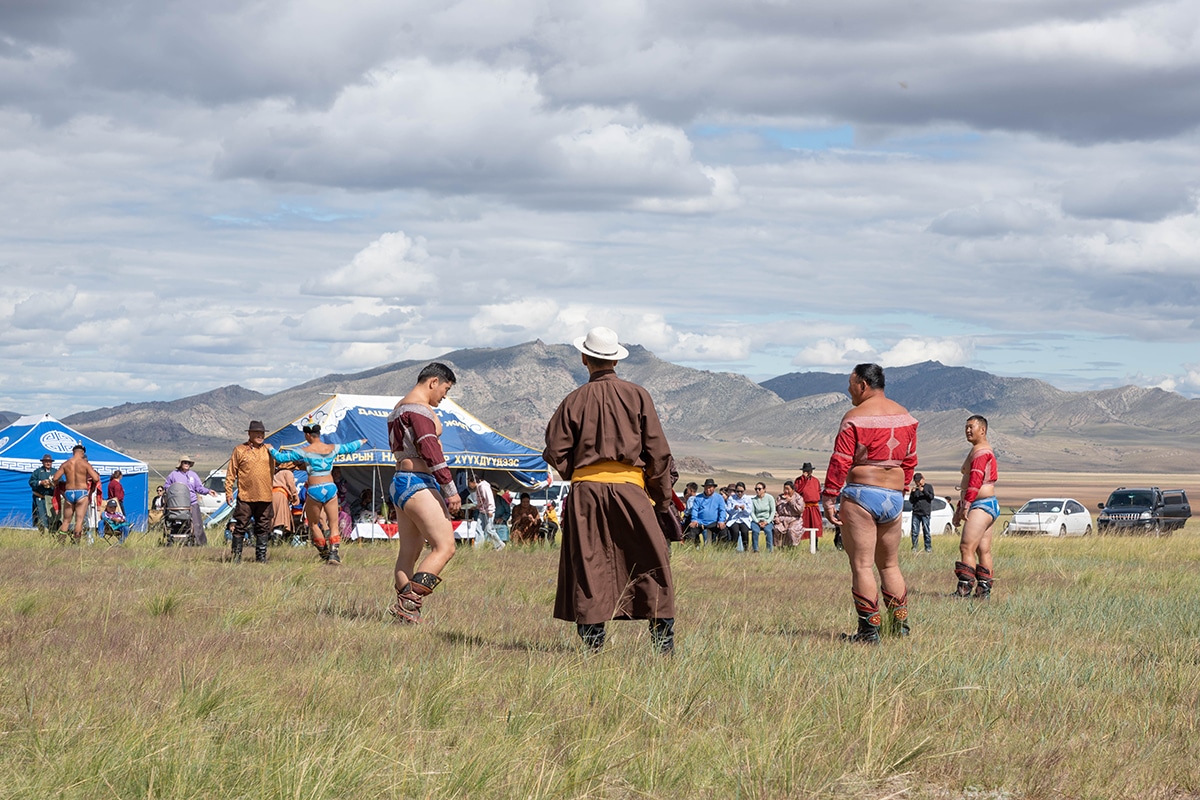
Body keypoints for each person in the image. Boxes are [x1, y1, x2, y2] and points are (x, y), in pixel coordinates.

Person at [544, 326, 679, 654]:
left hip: (586, 496)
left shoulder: (573, 399)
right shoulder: (638, 395)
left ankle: (592, 652)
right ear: (616, 360)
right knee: (652, 562)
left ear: (584, 358)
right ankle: (663, 649)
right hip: (632, 492)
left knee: (589, 566)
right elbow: (658, 453)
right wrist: (661, 500)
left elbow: (554, 449)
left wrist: (581, 474)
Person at [821, 364, 918, 643]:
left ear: (863, 384)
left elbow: (840, 460)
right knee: (889, 565)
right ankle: (899, 628)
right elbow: (910, 460)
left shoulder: (854, 417)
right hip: (894, 495)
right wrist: (904, 487)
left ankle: (868, 633)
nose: (849, 389)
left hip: (862, 493)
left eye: (851, 383)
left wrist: (829, 496)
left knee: (862, 565)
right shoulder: (906, 417)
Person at [385, 362, 463, 623]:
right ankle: (408, 606)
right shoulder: (418, 410)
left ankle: (406, 612)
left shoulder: (398, 409)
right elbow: (431, 450)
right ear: (433, 382)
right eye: (445, 389)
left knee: (409, 553)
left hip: (400, 481)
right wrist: (450, 489)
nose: (444, 396)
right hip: (418, 482)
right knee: (445, 547)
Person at [269, 424, 366, 565]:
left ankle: (324, 552)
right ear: (319, 434)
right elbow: (349, 447)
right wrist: (361, 442)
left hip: (314, 489)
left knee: (314, 524)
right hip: (330, 487)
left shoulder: (304, 451)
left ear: (308, 435)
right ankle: (334, 554)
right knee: (333, 524)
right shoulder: (331, 448)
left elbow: (282, 458)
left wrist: (270, 448)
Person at [952, 415, 999, 598]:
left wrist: (966, 505)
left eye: (971, 427)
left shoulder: (981, 451)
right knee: (983, 549)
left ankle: (963, 591)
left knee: (966, 547)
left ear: (983, 430)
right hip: (987, 504)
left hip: (980, 505)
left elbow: (975, 480)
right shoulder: (979, 450)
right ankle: (983, 593)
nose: (968, 430)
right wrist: (961, 506)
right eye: (966, 427)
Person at [224, 421, 276, 561]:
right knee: (240, 526)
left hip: (265, 497)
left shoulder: (269, 450)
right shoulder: (240, 450)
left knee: (263, 528)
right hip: (246, 496)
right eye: (257, 433)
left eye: (262, 433)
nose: (260, 436)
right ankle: (236, 557)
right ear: (249, 433)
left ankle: (261, 558)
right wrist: (228, 491)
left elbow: (284, 462)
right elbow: (231, 472)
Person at [52, 444, 100, 544]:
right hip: (81, 492)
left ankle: (61, 543)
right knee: (79, 520)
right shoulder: (85, 464)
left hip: (69, 492)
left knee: (66, 521)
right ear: (82, 453)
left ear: (73, 452)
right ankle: (76, 543)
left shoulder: (66, 464)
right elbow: (96, 478)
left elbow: (55, 478)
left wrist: (58, 484)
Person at [165, 456, 213, 546]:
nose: (187, 464)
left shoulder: (193, 475)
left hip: (192, 503)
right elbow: (167, 486)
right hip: (177, 504)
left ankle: (201, 544)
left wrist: (208, 491)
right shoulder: (173, 474)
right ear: (180, 463)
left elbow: (199, 487)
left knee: (197, 524)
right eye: (185, 462)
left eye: (188, 463)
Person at [466, 475, 506, 550]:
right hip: (482, 511)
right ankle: (478, 547)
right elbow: (481, 501)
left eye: (469, 483)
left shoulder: (484, 487)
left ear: (473, 482)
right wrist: (477, 507)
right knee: (479, 529)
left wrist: (490, 510)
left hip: (488, 511)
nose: (469, 485)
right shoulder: (478, 488)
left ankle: (500, 544)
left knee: (489, 529)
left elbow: (489, 498)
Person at [686, 478, 727, 546]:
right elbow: (695, 510)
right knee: (691, 531)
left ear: (714, 488)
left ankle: (720, 549)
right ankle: (693, 549)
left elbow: (722, 510)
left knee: (724, 531)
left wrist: (721, 521)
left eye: (710, 487)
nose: (708, 489)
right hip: (700, 522)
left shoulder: (719, 498)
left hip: (714, 522)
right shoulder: (698, 498)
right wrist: (694, 520)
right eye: (706, 487)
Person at [794, 462, 825, 549]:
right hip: (804, 507)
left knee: (815, 526)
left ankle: (815, 546)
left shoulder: (816, 480)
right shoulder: (798, 480)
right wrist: (804, 479)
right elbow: (798, 491)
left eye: (809, 471)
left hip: (814, 507)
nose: (808, 472)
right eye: (806, 471)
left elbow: (818, 492)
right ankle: (797, 545)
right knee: (801, 526)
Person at [271, 464, 299, 543]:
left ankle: (276, 540)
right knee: (280, 520)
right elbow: (292, 486)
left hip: (272, 495)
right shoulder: (287, 473)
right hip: (280, 495)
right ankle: (276, 542)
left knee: (275, 519)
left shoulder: (276, 474)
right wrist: (295, 497)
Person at [29, 454, 57, 531]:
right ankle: (42, 534)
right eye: (46, 461)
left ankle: (52, 533)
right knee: (41, 517)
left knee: (52, 517)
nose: (48, 463)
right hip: (40, 498)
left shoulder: (55, 472)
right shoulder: (37, 472)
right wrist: (40, 482)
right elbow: (31, 482)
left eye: (50, 462)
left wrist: (53, 483)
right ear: (43, 462)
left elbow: (61, 482)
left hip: (51, 499)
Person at [773, 480, 805, 547]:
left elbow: (800, 510)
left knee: (791, 530)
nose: (786, 491)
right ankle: (779, 547)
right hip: (781, 519)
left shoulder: (798, 498)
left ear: (793, 490)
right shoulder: (779, 497)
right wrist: (776, 518)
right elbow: (775, 509)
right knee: (777, 529)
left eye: (788, 489)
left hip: (795, 519)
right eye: (784, 489)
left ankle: (792, 547)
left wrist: (791, 502)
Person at [909, 472, 935, 552]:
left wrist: (924, 491)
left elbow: (931, 497)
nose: (918, 483)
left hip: (925, 513)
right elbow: (911, 501)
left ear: (922, 479)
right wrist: (912, 493)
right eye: (916, 481)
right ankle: (914, 547)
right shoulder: (915, 489)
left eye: (919, 481)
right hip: (916, 512)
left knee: (926, 531)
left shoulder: (928, 487)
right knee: (914, 531)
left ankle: (928, 548)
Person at [726, 482, 753, 552]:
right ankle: (732, 548)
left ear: (744, 491)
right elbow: (728, 510)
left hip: (744, 519)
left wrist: (744, 509)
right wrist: (734, 509)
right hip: (734, 519)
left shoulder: (748, 499)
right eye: (738, 491)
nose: (739, 493)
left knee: (744, 531)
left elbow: (749, 512)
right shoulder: (731, 498)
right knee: (735, 531)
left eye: (741, 491)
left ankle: (746, 549)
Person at [750, 482, 776, 553]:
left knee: (768, 531)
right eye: (756, 489)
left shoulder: (770, 498)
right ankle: (755, 549)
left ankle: (769, 550)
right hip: (757, 520)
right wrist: (757, 522)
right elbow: (752, 512)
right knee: (755, 531)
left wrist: (767, 521)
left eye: (759, 489)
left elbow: (773, 511)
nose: (757, 491)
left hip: (767, 520)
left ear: (764, 489)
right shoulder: (753, 500)